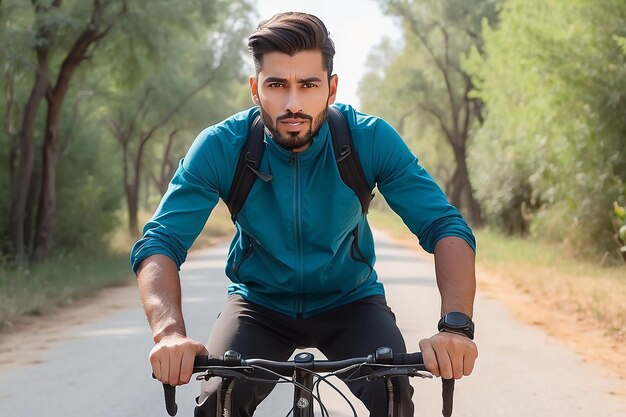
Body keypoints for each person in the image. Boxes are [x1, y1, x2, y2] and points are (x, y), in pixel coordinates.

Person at [131, 12, 478, 417]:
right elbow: (161, 241)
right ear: (255, 89)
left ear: (331, 89)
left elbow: (444, 225)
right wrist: (169, 334)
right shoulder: (221, 146)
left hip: (351, 302)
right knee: (218, 400)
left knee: (393, 393)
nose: (293, 103)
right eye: (277, 85)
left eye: (308, 85)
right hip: (258, 306)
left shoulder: (367, 139)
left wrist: (455, 327)